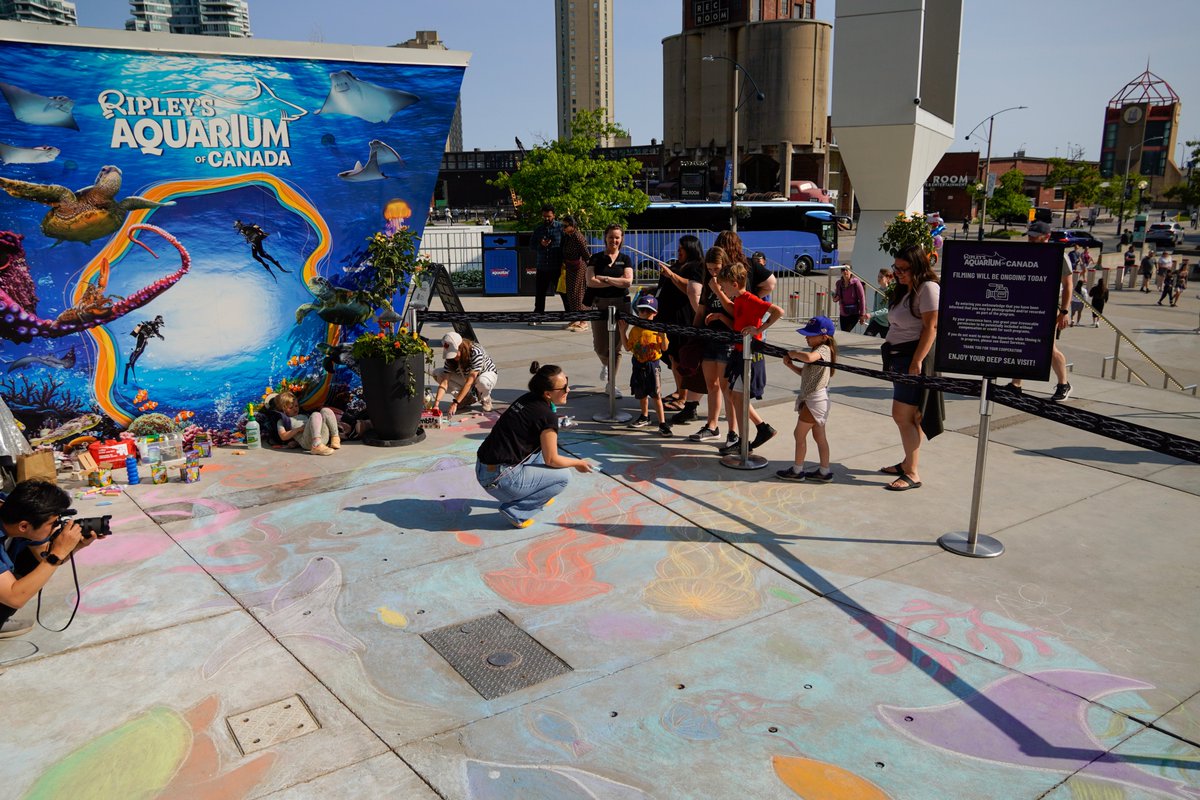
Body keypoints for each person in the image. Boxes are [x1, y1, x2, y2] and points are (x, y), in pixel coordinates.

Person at [475, 362, 592, 528]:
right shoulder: (546, 417)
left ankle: (538, 493)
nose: (568, 390)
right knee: (563, 477)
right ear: (547, 394)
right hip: (499, 480)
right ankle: (517, 512)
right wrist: (578, 463)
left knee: (543, 451)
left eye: (567, 383)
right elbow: (552, 460)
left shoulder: (527, 398)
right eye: (564, 387)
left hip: (484, 467)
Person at [879, 243, 940, 491]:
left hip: (912, 360)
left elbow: (931, 328)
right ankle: (907, 462)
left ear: (918, 266)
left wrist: (917, 361)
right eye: (896, 268)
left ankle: (912, 472)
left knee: (903, 416)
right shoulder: (906, 289)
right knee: (909, 416)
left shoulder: (928, 288)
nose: (899, 273)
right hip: (899, 358)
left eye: (904, 269)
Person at [0, 479, 91, 637]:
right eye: (52, 523)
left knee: (36, 564)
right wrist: (58, 552)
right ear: (23, 526)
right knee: (16, 590)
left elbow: (43, 555)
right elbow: (15, 598)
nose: (56, 527)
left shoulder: (15, 509)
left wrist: (75, 546)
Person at [711, 261, 782, 455]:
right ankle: (756, 432)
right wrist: (720, 317)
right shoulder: (740, 300)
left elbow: (778, 312)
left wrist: (759, 329)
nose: (723, 290)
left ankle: (754, 434)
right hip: (739, 353)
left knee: (738, 397)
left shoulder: (750, 299)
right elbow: (738, 323)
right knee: (735, 396)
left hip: (749, 355)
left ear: (734, 284)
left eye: (724, 286)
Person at [1007, 221, 1073, 402]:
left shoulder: (1059, 255)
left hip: (1050, 306)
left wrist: (1064, 312)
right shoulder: (1028, 253)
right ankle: (1016, 384)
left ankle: (1063, 384)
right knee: (1022, 343)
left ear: (1047, 237)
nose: (1031, 240)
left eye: (1035, 237)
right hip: (1029, 305)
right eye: (1029, 236)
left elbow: (1068, 286)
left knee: (1048, 348)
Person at [681, 247, 735, 443]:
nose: (714, 272)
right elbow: (701, 310)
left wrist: (718, 290)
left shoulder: (732, 282)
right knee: (711, 385)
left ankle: (733, 432)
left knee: (727, 387)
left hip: (727, 340)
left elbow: (733, 310)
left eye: (717, 268)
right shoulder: (707, 283)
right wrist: (693, 335)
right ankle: (712, 426)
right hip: (708, 338)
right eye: (710, 269)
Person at [777, 315, 837, 483]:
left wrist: (794, 353)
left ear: (824, 336)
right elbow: (806, 374)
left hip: (815, 399)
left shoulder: (823, 349)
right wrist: (791, 365)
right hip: (816, 398)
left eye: (811, 335)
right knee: (819, 437)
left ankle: (797, 470)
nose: (807, 337)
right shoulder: (817, 350)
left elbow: (809, 359)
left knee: (799, 434)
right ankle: (824, 471)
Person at [653, 235, 705, 411]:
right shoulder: (676, 265)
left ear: (690, 248)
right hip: (668, 317)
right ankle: (678, 390)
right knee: (673, 356)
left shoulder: (697, 267)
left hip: (683, 318)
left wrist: (672, 275)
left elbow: (691, 288)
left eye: (681, 248)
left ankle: (684, 397)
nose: (678, 251)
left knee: (682, 358)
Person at [586, 224, 633, 396]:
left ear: (621, 239)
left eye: (617, 237)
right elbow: (591, 282)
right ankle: (606, 364)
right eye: (611, 237)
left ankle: (611, 384)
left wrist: (604, 278)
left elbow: (628, 282)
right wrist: (616, 280)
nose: (614, 240)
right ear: (605, 237)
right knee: (600, 346)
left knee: (617, 346)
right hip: (600, 303)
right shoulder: (596, 259)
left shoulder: (625, 259)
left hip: (622, 304)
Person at [624, 295, 673, 436]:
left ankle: (662, 423)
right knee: (641, 393)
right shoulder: (635, 330)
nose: (644, 314)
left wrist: (663, 335)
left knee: (656, 395)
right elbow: (628, 347)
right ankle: (644, 416)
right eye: (642, 310)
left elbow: (664, 348)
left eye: (648, 311)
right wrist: (622, 331)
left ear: (655, 313)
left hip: (652, 365)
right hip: (638, 364)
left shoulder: (657, 329)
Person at [433, 331, 498, 413]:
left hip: (485, 375)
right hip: (465, 376)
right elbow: (444, 383)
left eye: (454, 354)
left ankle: (485, 398)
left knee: (482, 382)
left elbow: (469, 382)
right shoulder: (450, 359)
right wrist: (436, 404)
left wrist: (455, 403)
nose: (453, 357)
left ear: (460, 347)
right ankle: (465, 399)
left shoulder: (475, 352)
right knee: (437, 374)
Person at [272, 391, 340, 455]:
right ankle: (316, 445)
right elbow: (283, 436)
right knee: (315, 414)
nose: (295, 409)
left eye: (296, 406)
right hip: (307, 442)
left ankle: (335, 438)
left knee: (325, 410)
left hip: (323, 438)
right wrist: (298, 430)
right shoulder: (283, 421)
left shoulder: (303, 415)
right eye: (291, 407)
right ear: (283, 409)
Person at [714, 230, 775, 298]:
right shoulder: (748, 263)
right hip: (744, 305)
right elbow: (770, 283)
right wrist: (755, 297)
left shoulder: (715, 264)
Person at [530, 206, 563, 324]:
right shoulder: (538, 229)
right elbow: (531, 245)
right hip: (542, 266)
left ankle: (571, 316)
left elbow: (566, 244)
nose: (546, 219)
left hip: (557, 266)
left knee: (564, 293)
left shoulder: (561, 228)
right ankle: (538, 316)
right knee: (540, 293)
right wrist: (541, 244)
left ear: (554, 215)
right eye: (544, 217)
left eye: (548, 216)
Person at [560, 215, 590, 331]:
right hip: (570, 267)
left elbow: (586, 254)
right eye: (563, 225)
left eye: (565, 225)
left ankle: (584, 321)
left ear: (572, 226)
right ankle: (575, 319)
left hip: (578, 268)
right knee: (571, 294)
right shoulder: (567, 236)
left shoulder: (578, 237)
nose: (563, 227)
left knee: (578, 293)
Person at [124, 314, 164, 385]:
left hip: (144, 338)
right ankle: (130, 362)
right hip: (142, 336)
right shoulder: (153, 323)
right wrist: (160, 336)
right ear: (157, 319)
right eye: (160, 319)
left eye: (161, 320)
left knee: (141, 351)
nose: (161, 321)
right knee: (138, 350)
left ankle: (131, 362)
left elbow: (153, 331)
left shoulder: (154, 324)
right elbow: (155, 331)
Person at [833, 265, 868, 332]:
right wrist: (834, 298)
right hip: (843, 312)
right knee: (844, 332)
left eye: (847, 269)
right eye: (843, 270)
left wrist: (862, 314)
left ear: (851, 272)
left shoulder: (856, 282)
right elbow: (838, 296)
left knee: (846, 330)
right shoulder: (839, 283)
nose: (845, 271)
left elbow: (862, 298)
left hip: (854, 313)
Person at [864, 268, 894, 337]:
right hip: (877, 321)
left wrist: (872, 314)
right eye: (878, 276)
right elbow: (875, 307)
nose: (879, 278)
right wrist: (871, 321)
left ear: (887, 278)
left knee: (887, 344)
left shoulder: (890, 292)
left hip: (887, 324)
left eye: (881, 277)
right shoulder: (877, 291)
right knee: (866, 336)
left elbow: (887, 309)